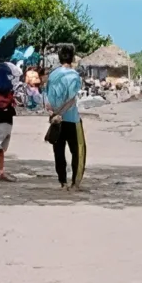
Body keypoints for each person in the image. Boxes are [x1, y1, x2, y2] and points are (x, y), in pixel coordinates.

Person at [45, 44, 86, 191]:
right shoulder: (74, 75)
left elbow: (47, 99)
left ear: (59, 57)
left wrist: (53, 114)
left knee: (59, 152)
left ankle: (62, 182)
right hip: (72, 119)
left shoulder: (53, 75)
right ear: (73, 57)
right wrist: (60, 113)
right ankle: (75, 184)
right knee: (78, 152)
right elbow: (71, 100)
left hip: (57, 121)